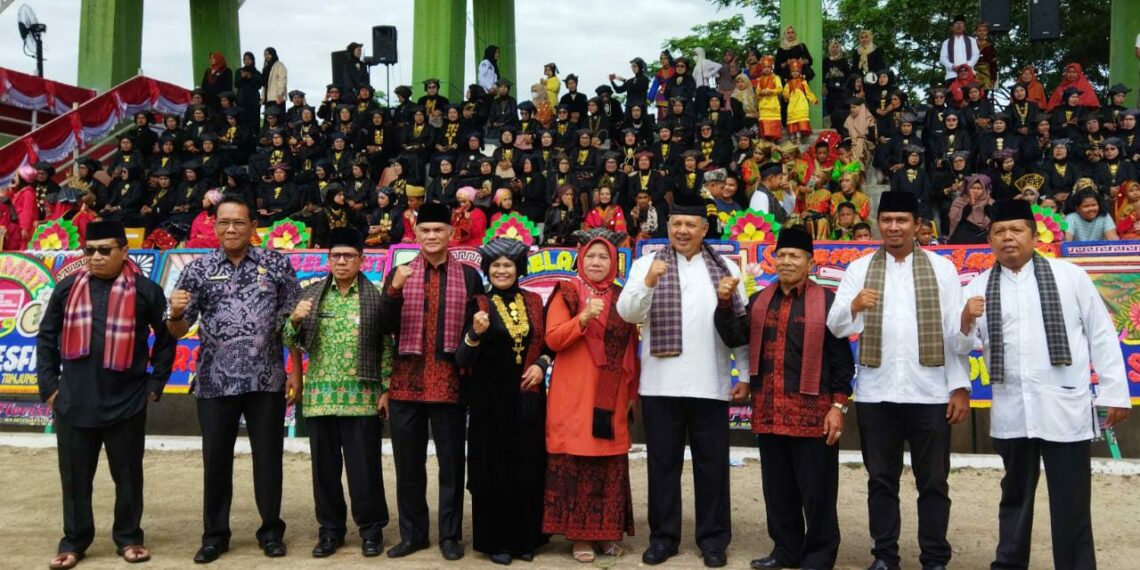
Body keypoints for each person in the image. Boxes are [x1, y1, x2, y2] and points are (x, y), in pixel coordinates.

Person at [958, 199, 1131, 570]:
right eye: (999, 232)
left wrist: (1116, 392)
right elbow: (958, 346)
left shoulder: (1070, 276)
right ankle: (1009, 564)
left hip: (1063, 406)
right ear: (989, 240)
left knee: (1071, 499)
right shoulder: (976, 287)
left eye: (1016, 230)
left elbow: (1100, 334)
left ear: (1034, 236)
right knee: (1015, 496)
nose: (1008, 239)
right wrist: (964, 320)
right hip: (1012, 409)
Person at [826, 191, 971, 570]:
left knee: (934, 483)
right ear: (878, 223)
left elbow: (954, 333)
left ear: (918, 225)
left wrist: (959, 387)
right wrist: (854, 306)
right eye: (887, 219)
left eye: (902, 220)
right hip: (877, 394)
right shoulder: (859, 269)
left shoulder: (942, 270)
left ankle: (935, 558)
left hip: (931, 393)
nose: (893, 227)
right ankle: (885, 557)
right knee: (881, 481)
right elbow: (835, 326)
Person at [617, 193, 750, 569]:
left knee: (712, 467)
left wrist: (743, 373)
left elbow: (738, 327)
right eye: (676, 224)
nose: (682, 230)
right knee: (662, 465)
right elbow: (627, 313)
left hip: (711, 384)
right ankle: (663, 538)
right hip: (660, 386)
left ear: (704, 229)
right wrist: (646, 282)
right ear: (668, 228)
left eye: (690, 224)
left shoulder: (724, 268)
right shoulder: (647, 263)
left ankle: (712, 541)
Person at [167, 195, 301, 564]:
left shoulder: (275, 264)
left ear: (252, 227)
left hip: (267, 379)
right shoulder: (198, 269)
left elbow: (293, 322)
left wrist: (295, 370)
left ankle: (271, 531)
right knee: (216, 460)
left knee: (269, 459)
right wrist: (175, 313)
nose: (230, 229)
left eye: (238, 222)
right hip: (215, 381)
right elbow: (178, 331)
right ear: (214, 226)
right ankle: (214, 535)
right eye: (224, 222)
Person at [36, 221, 175, 570]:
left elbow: (166, 337)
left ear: (124, 252)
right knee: (75, 478)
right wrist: (50, 387)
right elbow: (46, 337)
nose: (96, 258)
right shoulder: (68, 288)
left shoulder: (145, 290)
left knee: (128, 476)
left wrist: (155, 385)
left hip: (126, 401)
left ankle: (129, 538)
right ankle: (74, 542)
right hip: (73, 401)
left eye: (104, 250)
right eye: (89, 250)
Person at [712, 227, 854, 570]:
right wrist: (724, 304)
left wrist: (838, 406)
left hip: (813, 416)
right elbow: (735, 337)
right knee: (778, 492)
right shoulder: (760, 300)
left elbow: (841, 360)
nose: (787, 261)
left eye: (795, 256)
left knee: (818, 494)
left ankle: (819, 557)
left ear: (810, 262)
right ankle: (785, 552)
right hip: (770, 412)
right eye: (782, 255)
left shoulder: (829, 301)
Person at [377, 202, 483, 561]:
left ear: (451, 234)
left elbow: (476, 331)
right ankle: (413, 535)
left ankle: (449, 536)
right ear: (416, 234)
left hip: (450, 386)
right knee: (409, 467)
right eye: (426, 231)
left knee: (451, 466)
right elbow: (382, 326)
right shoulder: (400, 271)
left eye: (439, 230)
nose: (432, 236)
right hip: (407, 384)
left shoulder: (469, 276)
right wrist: (394, 289)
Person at [283, 227, 391, 558]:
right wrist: (294, 319)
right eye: (336, 256)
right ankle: (330, 531)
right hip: (320, 397)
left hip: (362, 397)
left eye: (348, 256)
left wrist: (386, 388)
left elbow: (387, 345)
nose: (341, 261)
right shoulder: (312, 295)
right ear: (328, 259)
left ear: (361, 260)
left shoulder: (374, 297)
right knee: (325, 471)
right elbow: (289, 339)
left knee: (365, 470)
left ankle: (371, 531)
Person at [543, 230, 639, 563]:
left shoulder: (622, 295)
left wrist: (632, 390)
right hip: (573, 392)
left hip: (611, 392)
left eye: (604, 257)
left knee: (608, 459)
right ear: (580, 260)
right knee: (577, 459)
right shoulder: (567, 294)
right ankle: (579, 536)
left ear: (613, 262)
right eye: (591, 257)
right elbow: (553, 339)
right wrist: (582, 318)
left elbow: (632, 348)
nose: (597, 262)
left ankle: (606, 532)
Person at [457, 238, 551, 565]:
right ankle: (495, 541)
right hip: (489, 404)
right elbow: (462, 357)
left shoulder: (536, 302)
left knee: (527, 468)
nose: (501, 270)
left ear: (518, 269)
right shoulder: (478, 304)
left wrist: (542, 365)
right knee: (493, 471)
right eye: (495, 265)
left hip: (528, 399)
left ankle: (526, 539)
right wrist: (474, 333)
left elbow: (549, 344)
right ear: (487, 269)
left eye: (507, 265)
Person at [947, 173, 994, 244]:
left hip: (984, 232)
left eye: (979, 188)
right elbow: (954, 219)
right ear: (968, 188)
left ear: (984, 190)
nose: (975, 191)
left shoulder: (989, 202)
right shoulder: (960, 201)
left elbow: (994, 220)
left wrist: (986, 205)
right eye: (973, 188)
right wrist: (969, 205)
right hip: (964, 231)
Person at [939, 15, 980, 84]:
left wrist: (967, 66)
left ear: (964, 28)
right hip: (952, 75)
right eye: (957, 23)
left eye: (961, 23)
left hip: (969, 74)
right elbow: (942, 58)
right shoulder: (946, 42)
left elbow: (976, 55)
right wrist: (952, 67)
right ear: (952, 27)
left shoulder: (972, 40)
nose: (959, 25)